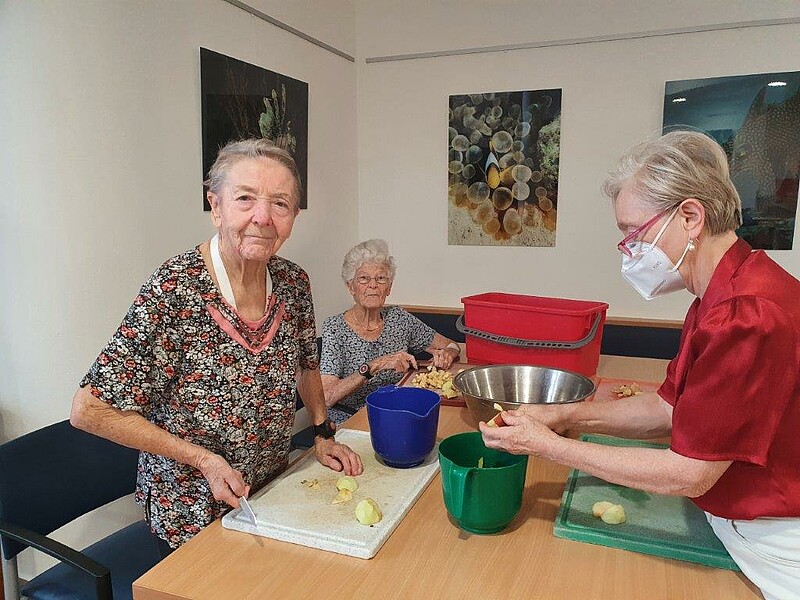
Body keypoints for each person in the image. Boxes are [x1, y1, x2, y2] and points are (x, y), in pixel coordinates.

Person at [480, 131, 800, 600]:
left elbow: (691, 472)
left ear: (690, 216)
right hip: (734, 517)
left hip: (775, 539)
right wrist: (564, 416)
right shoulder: (719, 294)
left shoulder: (747, 314)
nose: (629, 250)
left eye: (634, 233)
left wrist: (549, 447)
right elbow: (668, 410)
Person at [71, 138, 363, 555]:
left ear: (294, 216)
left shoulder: (293, 283)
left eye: (280, 204)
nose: (262, 217)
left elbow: (307, 364)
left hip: (268, 490)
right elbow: (89, 410)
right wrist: (203, 459)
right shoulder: (174, 289)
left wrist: (321, 432)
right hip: (190, 509)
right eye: (245, 198)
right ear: (216, 206)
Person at [320, 239, 461, 424]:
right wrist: (373, 366)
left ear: (389, 287)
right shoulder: (334, 328)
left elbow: (452, 344)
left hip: (399, 413)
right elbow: (327, 396)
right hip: (351, 419)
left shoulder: (398, 318)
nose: (373, 285)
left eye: (381, 278)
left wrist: (447, 354)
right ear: (350, 286)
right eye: (363, 278)